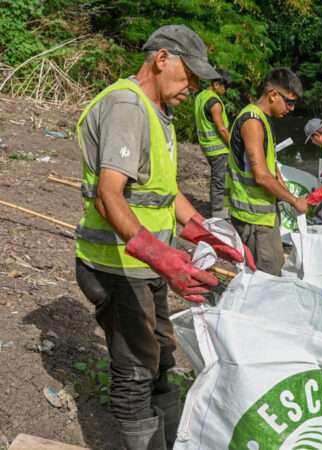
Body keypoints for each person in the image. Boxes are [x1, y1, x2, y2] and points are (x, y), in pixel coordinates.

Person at [74, 25, 254, 449]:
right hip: (117, 265)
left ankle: (172, 441)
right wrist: (166, 259)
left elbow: (164, 193)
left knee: (160, 360)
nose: (191, 87)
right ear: (161, 59)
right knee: (136, 369)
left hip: (144, 263)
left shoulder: (158, 114)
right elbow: (109, 195)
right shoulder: (126, 106)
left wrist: (204, 233)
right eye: (188, 76)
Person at [225, 68, 307, 275]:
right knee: (267, 276)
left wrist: (281, 182)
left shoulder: (262, 119)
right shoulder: (252, 122)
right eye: (289, 102)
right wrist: (293, 200)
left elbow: (269, 164)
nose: (291, 108)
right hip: (254, 217)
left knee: (267, 273)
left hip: (262, 214)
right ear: (273, 95)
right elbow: (261, 176)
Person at [193, 69, 232, 218]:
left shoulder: (200, 97)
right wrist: (233, 146)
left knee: (218, 178)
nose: (226, 90)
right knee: (220, 180)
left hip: (207, 146)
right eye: (225, 86)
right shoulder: (214, 103)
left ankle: (220, 209)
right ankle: (218, 213)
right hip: (219, 148)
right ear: (216, 84)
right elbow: (222, 129)